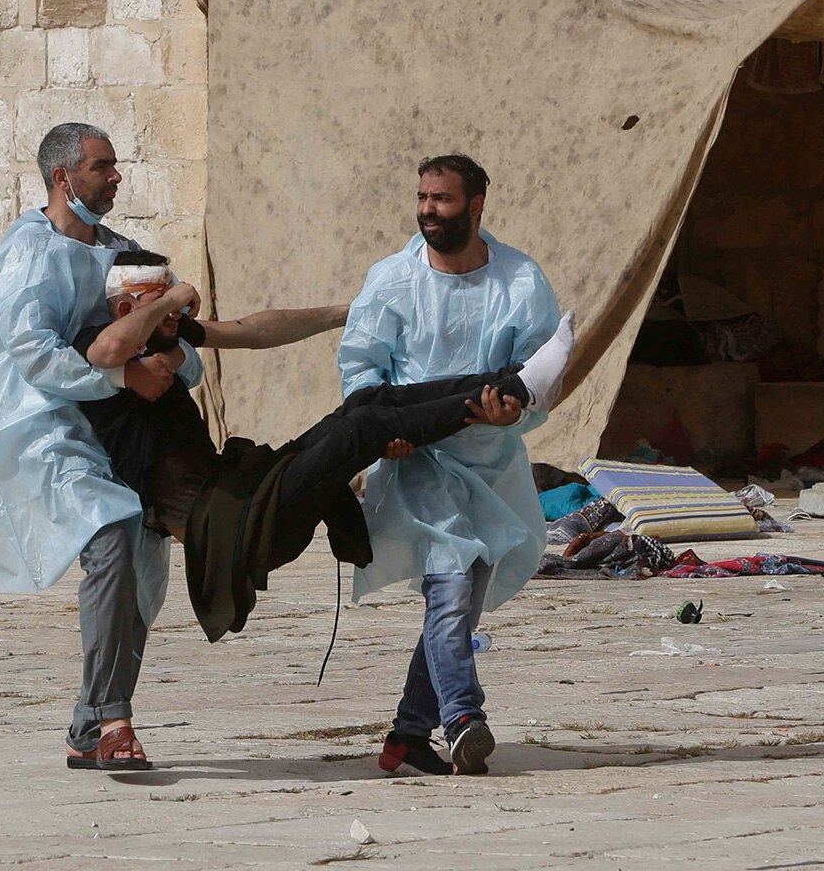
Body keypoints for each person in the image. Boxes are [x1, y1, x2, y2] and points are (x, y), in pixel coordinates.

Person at [72, 253, 574, 653]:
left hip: (244, 492)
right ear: (125, 308)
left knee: (366, 405)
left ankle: (515, 386)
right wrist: (173, 297)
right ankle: (517, 389)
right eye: (157, 302)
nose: (177, 313)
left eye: (175, 304)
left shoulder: (165, 338)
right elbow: (109, 350)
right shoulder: (100, 347)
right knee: (361, 428)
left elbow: (255, 330)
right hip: (222, 524)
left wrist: (348, 311)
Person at [0, 122, 195, 775]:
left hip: (120, 431)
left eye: (115, 165)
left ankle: (89, 724)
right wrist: (119, 372)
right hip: (38, 428)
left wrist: (169, 360)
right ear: (61, 177)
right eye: (102, 166)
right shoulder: (28, 250)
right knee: (111, 528)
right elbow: (32, 352)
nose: (115, 176)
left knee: (140, 571)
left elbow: (173, 339)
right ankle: (114, 723)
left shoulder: (123, 253)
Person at [339, 153, 563, 778]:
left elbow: (541, 372)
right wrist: (384, 433)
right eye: (422, 198)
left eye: (441, 199)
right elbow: (361, 368)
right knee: (451, 582)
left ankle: (409, 735)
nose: (428, 211)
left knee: (459, 605)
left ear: (476, 205)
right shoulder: (391, 280)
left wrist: (511, 414)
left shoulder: (520, 280)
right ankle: (464, 716)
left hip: (491, 464)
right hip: (421, 463)